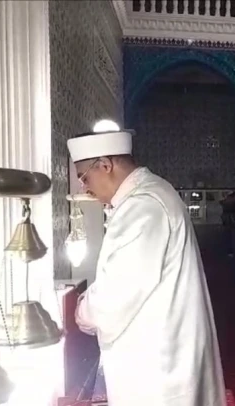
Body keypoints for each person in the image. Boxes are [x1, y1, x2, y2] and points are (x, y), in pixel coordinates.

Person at [68, 128, 225, 406]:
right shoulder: (150, 193)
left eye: (84, 177)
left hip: (158, 362)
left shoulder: (143, 205)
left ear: (105, 165)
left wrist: (83, 310)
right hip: (164, 351)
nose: (84, 188)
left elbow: (118, 293)